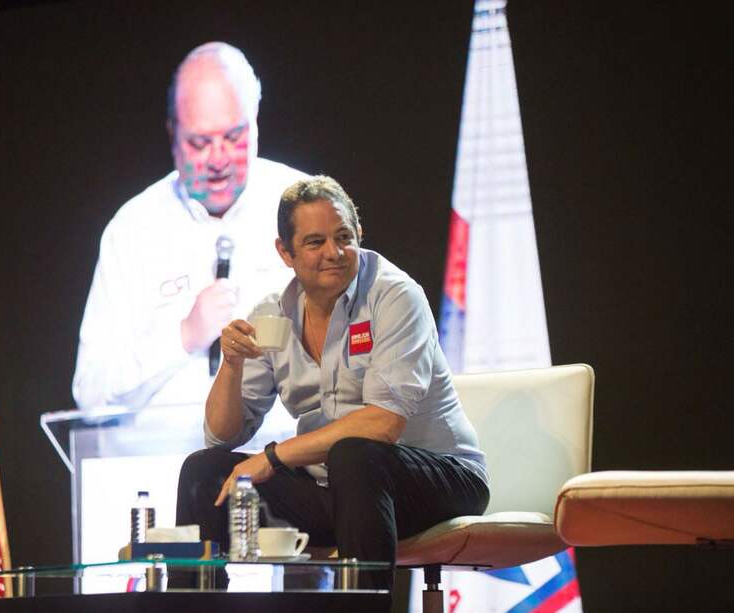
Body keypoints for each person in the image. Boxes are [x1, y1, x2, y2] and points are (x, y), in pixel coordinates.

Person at [176, 176, 489, 588]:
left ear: (359, 234)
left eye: (344, 237)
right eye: (315, 242)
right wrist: (231, 365)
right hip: (338, 487)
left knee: (355, 456)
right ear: (284, 252)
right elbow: (220, 436)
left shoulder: (395, 297)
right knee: (203, 472)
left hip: (441, 480)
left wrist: (274, 457)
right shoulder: (273, 315)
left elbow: (383, 424)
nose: (334, 253)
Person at [73, 42, 306, 411]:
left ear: (256, 121)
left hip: (289, 442)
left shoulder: (305, 205)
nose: (218, 159)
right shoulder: (133, 230)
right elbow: (91, 390)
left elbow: (354, 347)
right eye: (200, 143)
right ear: (173, 136)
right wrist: (184, 335)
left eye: (233, 137)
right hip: (164, 445)